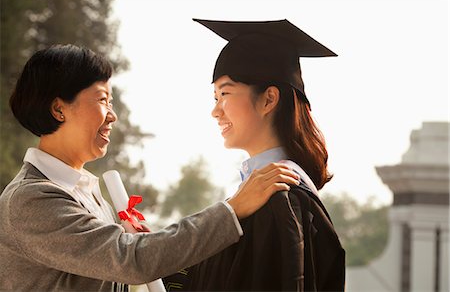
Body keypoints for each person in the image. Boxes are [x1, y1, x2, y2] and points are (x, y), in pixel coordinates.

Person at [0, 44, 301, 291]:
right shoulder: (31, 200)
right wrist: (232, 209)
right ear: (58, 109)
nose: (112, 116)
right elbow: (130, 261)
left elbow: (118, 268)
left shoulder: (84, 191)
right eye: (103, 100)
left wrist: (143, 245)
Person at [163, 19, 346, 291]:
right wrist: (159, 254)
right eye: (214, 97)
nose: (215, 111)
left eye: (225, 93)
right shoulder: (262, 193)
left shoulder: (281, 199)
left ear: (269, 100)